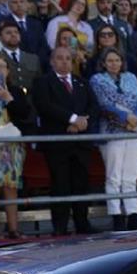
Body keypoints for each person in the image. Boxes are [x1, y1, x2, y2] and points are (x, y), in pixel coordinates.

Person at [33, 46, 97, 235]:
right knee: (60, 185)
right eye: (60, 58)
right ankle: (60, 227)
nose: (64, 61)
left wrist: (83, 121)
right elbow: (45, 106)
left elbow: (94, 106)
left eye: (68, 58)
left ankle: (82, 224)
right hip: (58, 144)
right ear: (52, 61)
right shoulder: (43, 82)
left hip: (81, 143)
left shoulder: (81, 82)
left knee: (81, 185)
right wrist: (71, 119)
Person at [90, 48, 137, 230]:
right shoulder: (97, 79)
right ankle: (115, 215)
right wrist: (125, 118)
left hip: (134, 130)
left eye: (117, 60)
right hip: (112, 132)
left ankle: (132, 214)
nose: (114, 64)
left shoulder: (131, 77)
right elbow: (104, 104)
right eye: (110, 61)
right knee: (114, 176)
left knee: (131, 175)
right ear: (104, 63)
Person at [0, 51, 33, 238]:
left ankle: (13, 229)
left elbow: (25, 113)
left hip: (12, 147)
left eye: (1, 66)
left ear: (8, 71)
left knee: (11, 187)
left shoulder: (15, 91)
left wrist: (8, 97)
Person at [0, 18, 41, 90]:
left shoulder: (33, 58)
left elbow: (39, 84)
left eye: (16, 32)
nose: (13, 35)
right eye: (8, 33)